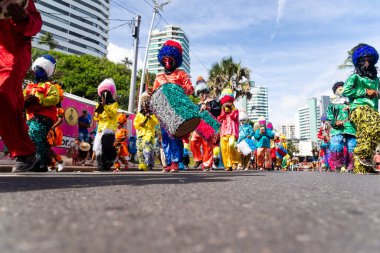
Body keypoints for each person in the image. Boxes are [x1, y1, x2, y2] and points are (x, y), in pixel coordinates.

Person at [0, 1, 42, 172]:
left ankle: (25, 153)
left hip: (13, 58)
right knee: (11, 106)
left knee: (2, 94)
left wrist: (24, 18)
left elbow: (35, 26)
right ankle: (27, 153)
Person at [152, 39, 195, 173]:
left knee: (175, 136)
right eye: (165, 60)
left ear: (175, 60)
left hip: (177, 110)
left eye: (170, 60)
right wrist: (150, 93)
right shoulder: (158, 77)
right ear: (162, 60)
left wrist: (178, 88)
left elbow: (190, 89)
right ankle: (168, 162)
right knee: (165, 138)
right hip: (163, 112)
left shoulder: (181, 74)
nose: (167, 63)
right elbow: (154, 96)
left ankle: (176, 162)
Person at [342, 44, 380, 174]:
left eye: (370, 59)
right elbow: (346, 91)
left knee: (369, 134)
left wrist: (377, 93)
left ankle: (362, 167)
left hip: (373, 110)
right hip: (358, 108)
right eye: (364, 59)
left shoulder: (376, 80)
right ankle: (362, 154)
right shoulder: (355, 77)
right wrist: (365, 91)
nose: (367, 62)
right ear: (359, 62)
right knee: (374, 126)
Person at [24, 55, 60, 172]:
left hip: (44, 117)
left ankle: (39, 163)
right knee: (37, 139)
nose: (35, 72)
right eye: (35, 69)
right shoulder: (29, 86)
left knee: (36, 136)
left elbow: (55, 99)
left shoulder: (50, 86)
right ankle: (42, 163)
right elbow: (22, 99)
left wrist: (39, 101)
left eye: (38, 69)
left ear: (44, 71)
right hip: (31, 117)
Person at [190, 76, 221, 171]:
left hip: (209, 126)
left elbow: (218, 111)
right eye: (200, 93)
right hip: (198, 127)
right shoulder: (198, 104)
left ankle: (207, 164)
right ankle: (198, 159)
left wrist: (208, 108)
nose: (202, 95)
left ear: (207, 92)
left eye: (204, 93)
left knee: (207, 145)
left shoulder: (212, 102)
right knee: (193, 141)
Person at [326, 81, 356, 172]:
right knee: (336, 144)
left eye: (343, 88)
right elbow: (329, 116)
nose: (342, 90)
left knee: (352, 145)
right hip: (337, 128)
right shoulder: (332, 104)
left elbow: (359, 109)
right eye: (339, 89)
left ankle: (351, 165)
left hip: (350, 127)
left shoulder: (352, 101)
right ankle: (337, 164)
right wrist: (335, 122)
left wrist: (352, 107)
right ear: (335, 92)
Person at [93, 78, 118, 171]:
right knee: (98, 148)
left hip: (109, 129)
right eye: (103, 92)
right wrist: (97, 111)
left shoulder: (114, 104)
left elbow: (112, 115)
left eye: (106, 92)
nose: (105, 94)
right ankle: (101, 165)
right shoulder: (99, 104)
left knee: (106, 147)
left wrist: (105, 106)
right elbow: (96, 118)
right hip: (100, 129)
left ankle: (109, 161)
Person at [133, 92, 159, 171]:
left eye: (146, 105)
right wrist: (140, 124)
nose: (145, 107)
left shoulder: (152, 114)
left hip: (149, 134)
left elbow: (156, 122)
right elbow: (135, 124)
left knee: (148, 149)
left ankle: (149, 163)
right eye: (144, 106)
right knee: (140, 150)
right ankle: (142, 165)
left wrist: (150, 117)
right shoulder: (139, 115)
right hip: (140, 134)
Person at [218, 88, 240, 171]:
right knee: (224, 149)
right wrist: (223, 110)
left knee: (231, 145)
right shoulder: (223, 109)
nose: (227, 104)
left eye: (229, 102)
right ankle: (228, 165)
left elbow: (234, 117)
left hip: (232, 131)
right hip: (223, 131)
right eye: (226, 102)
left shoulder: (235, 110)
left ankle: (234, 161)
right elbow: (220, 118)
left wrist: (231, 109)